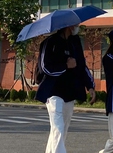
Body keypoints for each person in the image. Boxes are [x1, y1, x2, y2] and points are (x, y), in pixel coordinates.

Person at [35, 24, 95, 153]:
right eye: (76, 25)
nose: (77, 27)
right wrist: (65, 66)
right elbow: (44, 67)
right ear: (68, 26)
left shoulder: (75, 42)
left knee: (61, 130)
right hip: (53, 92)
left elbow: (82, 66)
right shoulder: (50, 42)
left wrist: (90, 86)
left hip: (70, 92)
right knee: (58, 127)